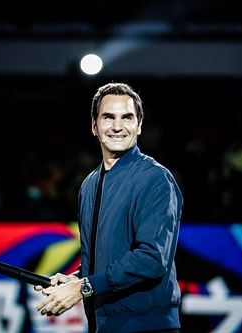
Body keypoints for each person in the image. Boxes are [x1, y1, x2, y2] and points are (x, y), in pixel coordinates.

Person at [35, 82, 183, 333]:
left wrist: (83, 287)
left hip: (148, 328)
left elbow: (152, 259)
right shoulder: (89, 185)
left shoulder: (156, 178)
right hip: (103, 326)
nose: (117, 126)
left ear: (139, 125)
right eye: (108, 117)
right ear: (94, 126)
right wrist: (77, 278)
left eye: (127, 117)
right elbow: (108, 256)